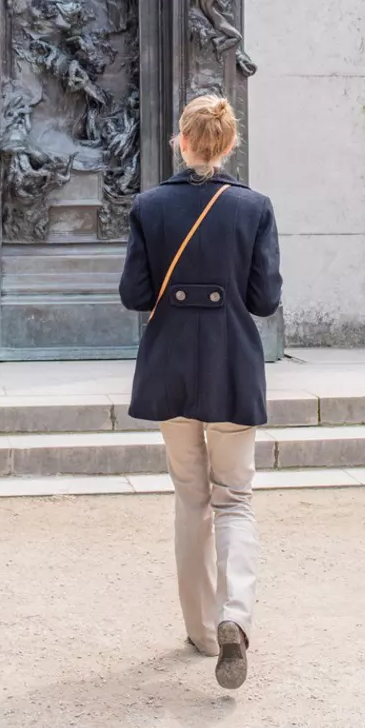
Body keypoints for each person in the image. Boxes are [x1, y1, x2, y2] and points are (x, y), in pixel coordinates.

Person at [119, 95, 281, 690]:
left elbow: (135, 294)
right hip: (232, 367)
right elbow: (265, 300)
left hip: (171, 369)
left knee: (192, 499)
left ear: (181, 141)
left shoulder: (149, 206)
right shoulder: (254, 208)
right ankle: (235, 616)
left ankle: (203, 631)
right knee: (235, 498)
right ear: (230, 143)